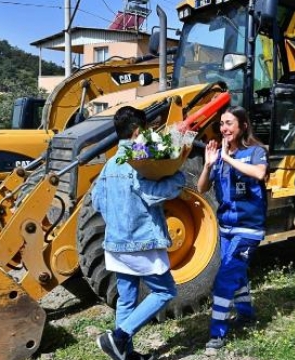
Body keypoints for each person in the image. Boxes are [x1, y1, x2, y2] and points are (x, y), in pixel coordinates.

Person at [91, 106, 186, 360]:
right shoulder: (138, 157)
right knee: (165, 291)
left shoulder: (110, 163)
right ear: (137, 132)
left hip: (115, 243)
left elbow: (96, 201)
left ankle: (126, 355)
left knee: (127, 299)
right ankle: (119, 337)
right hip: (141, 241)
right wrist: (178, 180)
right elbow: (151, 194)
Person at [196, 106, 268, 355]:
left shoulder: (255, 152)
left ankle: (217, 335)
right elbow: (202, 187)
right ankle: (246, 313)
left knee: (225, 279)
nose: (224, 129)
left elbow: (259, 173)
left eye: (229, 123)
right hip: (226, 228)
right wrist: (208, 165)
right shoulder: (218, 156)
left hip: (248, 229)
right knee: (236, 272)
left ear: (243, 125)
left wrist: (227, 158)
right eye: (222, 124)